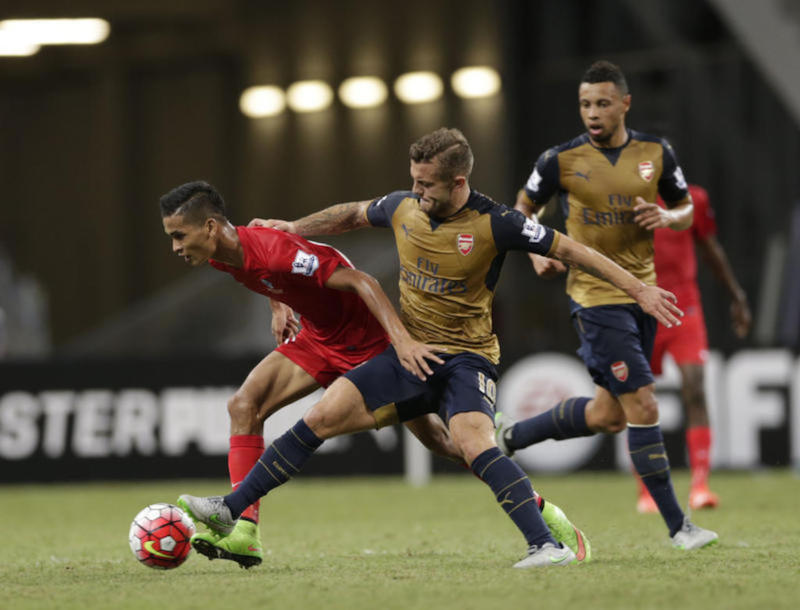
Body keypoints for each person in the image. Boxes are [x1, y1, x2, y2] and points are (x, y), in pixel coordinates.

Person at [177, 127, 685, 568]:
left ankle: (545, 539)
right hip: (407, 353)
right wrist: (295, 228)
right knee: (320, 418)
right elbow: (352, 215)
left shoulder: (498, 222)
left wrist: (638, 289)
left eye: (426, 184)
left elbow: (571, 248)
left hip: (467, 357)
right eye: (414, 179)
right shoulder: (402, 206)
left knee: (468, 443)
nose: (415, 191)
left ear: (458, 182)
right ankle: (232, 509)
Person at [161, 179, 586, 569]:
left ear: (212, 226)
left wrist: (400, 342)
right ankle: (243, 533)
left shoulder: (273, 248)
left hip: (368, 342)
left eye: (179, 235)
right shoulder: (219, 255)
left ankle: (542, 510)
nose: (176, 247)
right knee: (244, 405)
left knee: (445, 442)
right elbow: (270, 277)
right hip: (319, 337)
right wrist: (280, 305)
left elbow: (362, 280)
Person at [494, 60, 718, 550]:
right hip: (595, 301)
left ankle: (511, 437)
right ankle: (680, 527)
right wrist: (537, 256)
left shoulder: (656, 154)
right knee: (643, 403)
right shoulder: (560, 160)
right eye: (584, 104)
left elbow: (685, 212)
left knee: (609, 415)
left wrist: (666, 214)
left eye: (601, 103)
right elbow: (522, 210)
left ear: (624, 104)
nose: (592, 113)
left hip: (645, 296)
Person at [636, 183, 751, 514]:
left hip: (685, 309)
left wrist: (736, 296)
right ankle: (646, 489)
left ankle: (700, 486)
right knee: (638, 399)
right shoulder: (625, 197)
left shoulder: (693, 199)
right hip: (642, 309)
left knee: (696, 389)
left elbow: (709, 247)